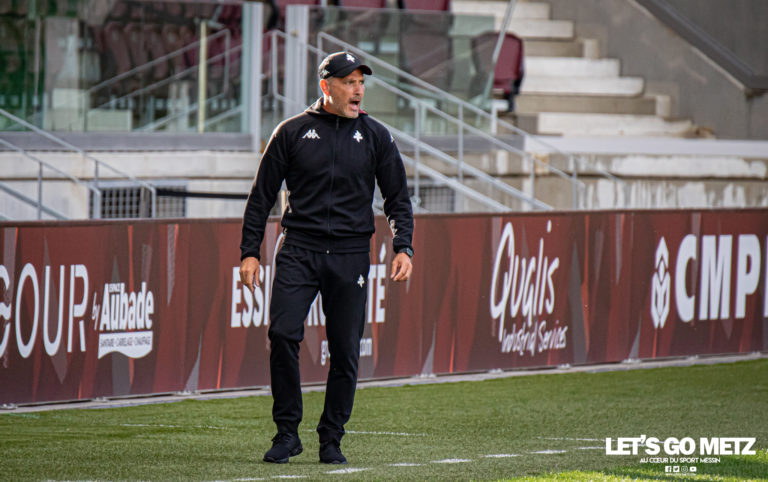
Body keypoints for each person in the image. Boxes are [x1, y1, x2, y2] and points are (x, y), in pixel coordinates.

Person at [239, 51, 414, 465]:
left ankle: (331, 437)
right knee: (283, 334)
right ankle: (287, 433)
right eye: (349, 82)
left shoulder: (376, 135)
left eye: (361, 82)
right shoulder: (292, 131)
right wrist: (249, 253)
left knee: (345, 351)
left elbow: (397, 198)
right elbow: (260, 197)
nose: (358, 90)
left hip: (352, 254)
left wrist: (403, 245)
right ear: (326, 87)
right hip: (298, 248)